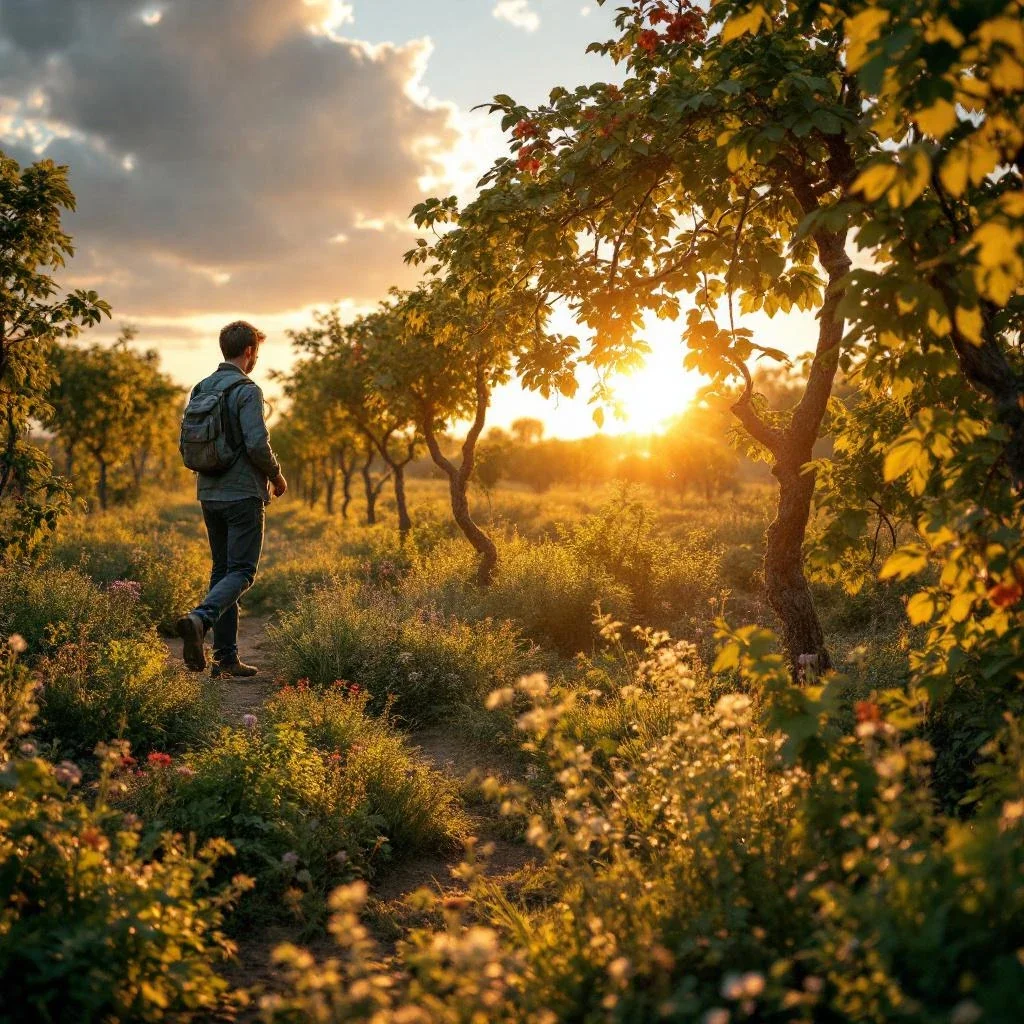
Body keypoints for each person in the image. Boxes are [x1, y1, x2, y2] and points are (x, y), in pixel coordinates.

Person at [176, 320, 287, 676]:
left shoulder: (202, 387)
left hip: (209, 492)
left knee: (223, 570)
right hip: (241, 494)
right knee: (242, 571)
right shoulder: (247, 390)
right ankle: (201, 618)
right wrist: (276, 474)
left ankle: (225, 658)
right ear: (250, 351)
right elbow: (256, 443)